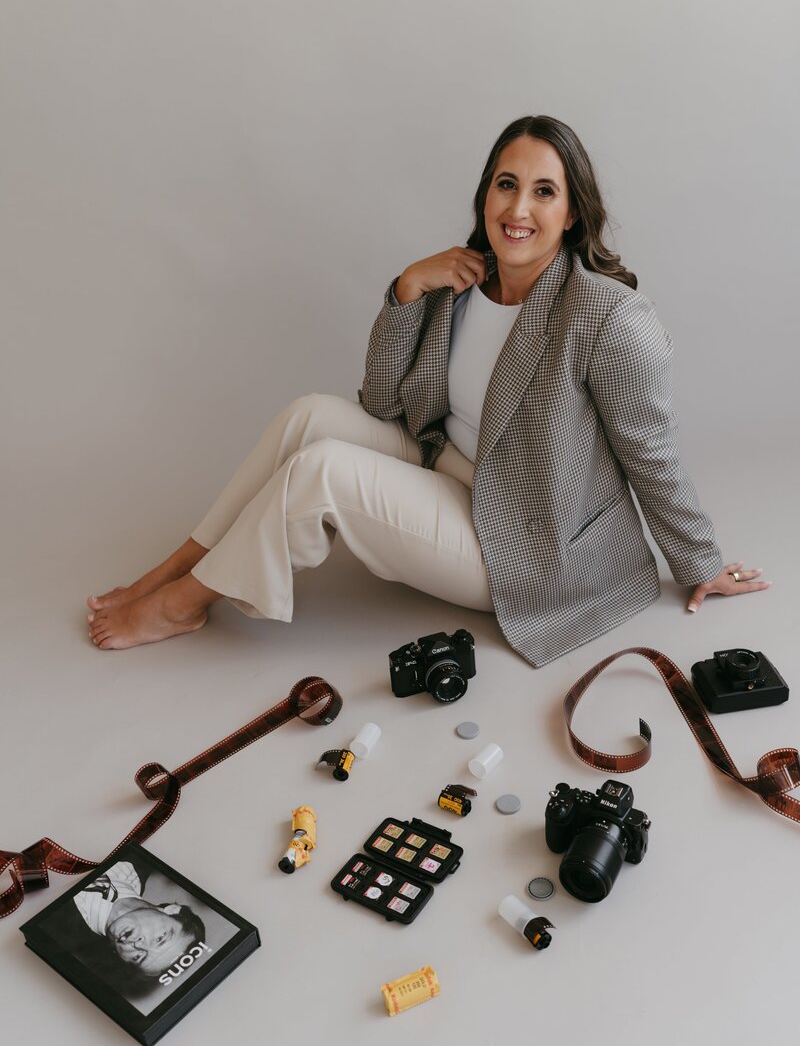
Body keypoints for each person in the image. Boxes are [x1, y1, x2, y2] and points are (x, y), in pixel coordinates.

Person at [87, 116, 769, 666]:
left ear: (572, 215)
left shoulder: (608, 319)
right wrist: (405, 292)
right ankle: (178, 566)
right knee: (307, 419)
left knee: (322, 472)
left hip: (522, 541)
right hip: (447, 467)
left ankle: (183, 604)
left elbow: (651, 452)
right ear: (484, 195)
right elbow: (382, 403)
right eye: (506, 184)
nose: (519, 207)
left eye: (544, 191)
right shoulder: (461, 281)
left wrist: (700, 562)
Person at [72, 859, 206, 980]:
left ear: (120, 957)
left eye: (138, 957)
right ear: (172, 911)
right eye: (159, 939)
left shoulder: (59, 932)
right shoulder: (144, 856)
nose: (138, 945)